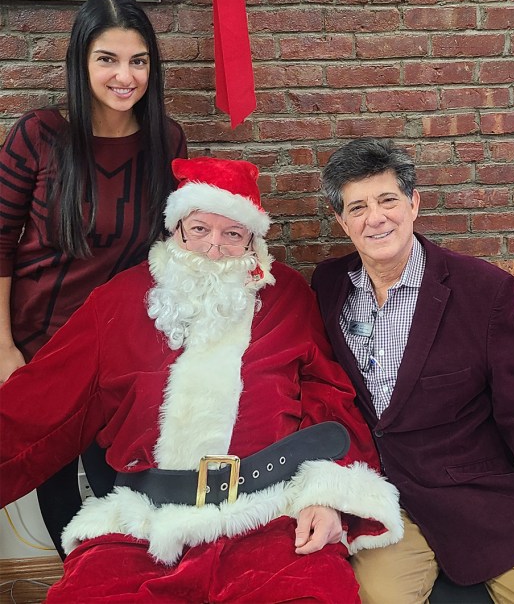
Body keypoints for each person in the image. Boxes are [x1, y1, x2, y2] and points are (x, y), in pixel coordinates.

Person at [0, 157, 403, 601]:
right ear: (176, 229)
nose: (213, 249)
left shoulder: (287, 294)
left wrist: (326, 498)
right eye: (199, 230)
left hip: (271, 517)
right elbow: (39, 403)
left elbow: (329, 397)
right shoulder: (118, 300)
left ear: (252, 240)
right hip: (145, 525)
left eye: (232, 234)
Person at [311, 137, 514, 603]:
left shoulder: (485, 291)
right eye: (358, 207)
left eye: (388, 200)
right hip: (387, 501)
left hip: (482, 499)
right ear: (341, 220)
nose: (375, 218)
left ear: (414, 203)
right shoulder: (328, 285)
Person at [0, 0, 187, 558]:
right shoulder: (40, 134)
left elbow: (171, 248)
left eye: (138, 61)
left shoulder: (167, 140)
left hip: (120, 353)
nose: (124, 76)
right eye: (108, 59)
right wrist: (4, 348)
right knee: (56, 491)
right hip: (42, 348)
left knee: (122, 493)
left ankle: (120, 585)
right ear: (81, 62)